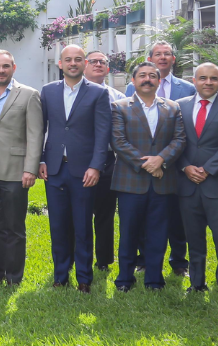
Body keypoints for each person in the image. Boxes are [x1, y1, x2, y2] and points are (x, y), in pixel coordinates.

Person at [39, 44, 110, 292]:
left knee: (82, 225)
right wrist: (41, 160)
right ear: (60, 64)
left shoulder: (98, 94)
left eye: (78, 59)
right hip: (55, 169)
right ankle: (60, 276)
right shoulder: (47, 92)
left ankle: (84, 278)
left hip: (84, 171)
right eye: (68, 59)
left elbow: (103, 134)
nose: (72, 63)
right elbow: (40, 128)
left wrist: (96, 166)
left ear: (85, 64)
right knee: (58, 225)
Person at [111, 62, 186, 293]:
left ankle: (154, 279)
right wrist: (148, 164)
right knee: (128, 232)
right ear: (132, 81)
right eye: (142, 75)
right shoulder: (120, 107)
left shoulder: (173, 107)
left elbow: (180, 139)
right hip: (130, 182)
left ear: (158, 80)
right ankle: (124, 279)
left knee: (158, 232)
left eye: (152, 76)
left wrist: (161, 160)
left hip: (163, 182)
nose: (147, 79)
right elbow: (119, 141)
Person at [174, 63, 218, 300]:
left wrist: (207, 169)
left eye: (213, 79)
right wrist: (185, 166)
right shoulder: (179, 106)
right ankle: (196, 283)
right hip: (187, 185)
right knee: (193, 238)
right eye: (203, 78)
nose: (208, 83)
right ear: (194, 81)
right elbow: (174, 141)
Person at [124, 40, 193, 277]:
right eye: (158, 54)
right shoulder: (129, 93)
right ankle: (142, 261)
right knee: (141, 221)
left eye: (167, 54)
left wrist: (163, 160)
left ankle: (179, 261)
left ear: (174, 59)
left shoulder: (186, 89)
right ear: (150, 58)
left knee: (175, 219)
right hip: (141, 171)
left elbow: (184, 134)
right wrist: (148, 164)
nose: (163, 57)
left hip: (172, 168)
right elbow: (125, 131)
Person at [0, 50, 42, 286]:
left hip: (16, 170)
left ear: (14, 67)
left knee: (14, 226)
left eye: (6, 66)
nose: (1, 70)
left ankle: (14, 277)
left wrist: (30, 168)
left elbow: (35, 134)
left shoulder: (29, 94)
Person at [84, 50, 126, 273]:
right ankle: (80, 257)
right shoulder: (71, 93)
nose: (98, 64)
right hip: (78, 158)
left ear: (108, 69)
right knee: (79, 213)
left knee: (105, 212)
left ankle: (104, 260)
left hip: (108, 160)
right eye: (94, 61)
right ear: (84, 65)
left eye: (103, 62)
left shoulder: (118, 99)